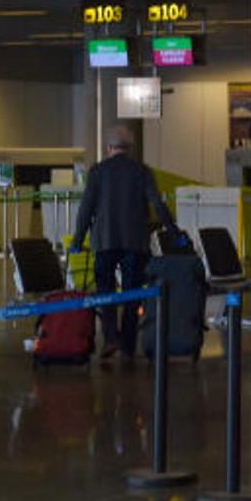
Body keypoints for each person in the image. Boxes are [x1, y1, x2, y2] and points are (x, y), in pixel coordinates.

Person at [72, 126, 178, 359]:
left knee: (105, 290)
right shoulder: (141, 171)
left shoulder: (98, 172)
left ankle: (111, 338)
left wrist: (78, 240)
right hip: (135, 242)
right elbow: (158, 205)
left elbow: (85, 209)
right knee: (131, 291)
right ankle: (129, 343)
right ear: (129, 149)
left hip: (105, 241)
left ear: (109, 148)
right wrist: (173, 231)